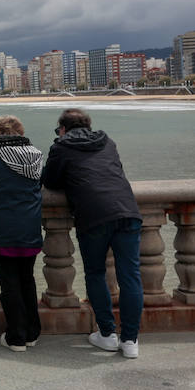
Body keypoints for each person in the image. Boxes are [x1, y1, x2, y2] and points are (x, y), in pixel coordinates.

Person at [42, 108, 143, 359]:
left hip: (93, 215)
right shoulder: (107, 141)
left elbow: (50, 181)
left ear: (63, 129)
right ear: (88, 126)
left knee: (96, 273)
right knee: (130, 276)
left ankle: (107, 334)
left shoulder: (61, 146)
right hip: (127, 210)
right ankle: (130, 340)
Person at [0, 115, 45, 352]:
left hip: (0, 227)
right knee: (27, 279)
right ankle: (33, 333)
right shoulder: (36, 155)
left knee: (9, 282)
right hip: (30, 227)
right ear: (20, 131)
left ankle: (16, 336)